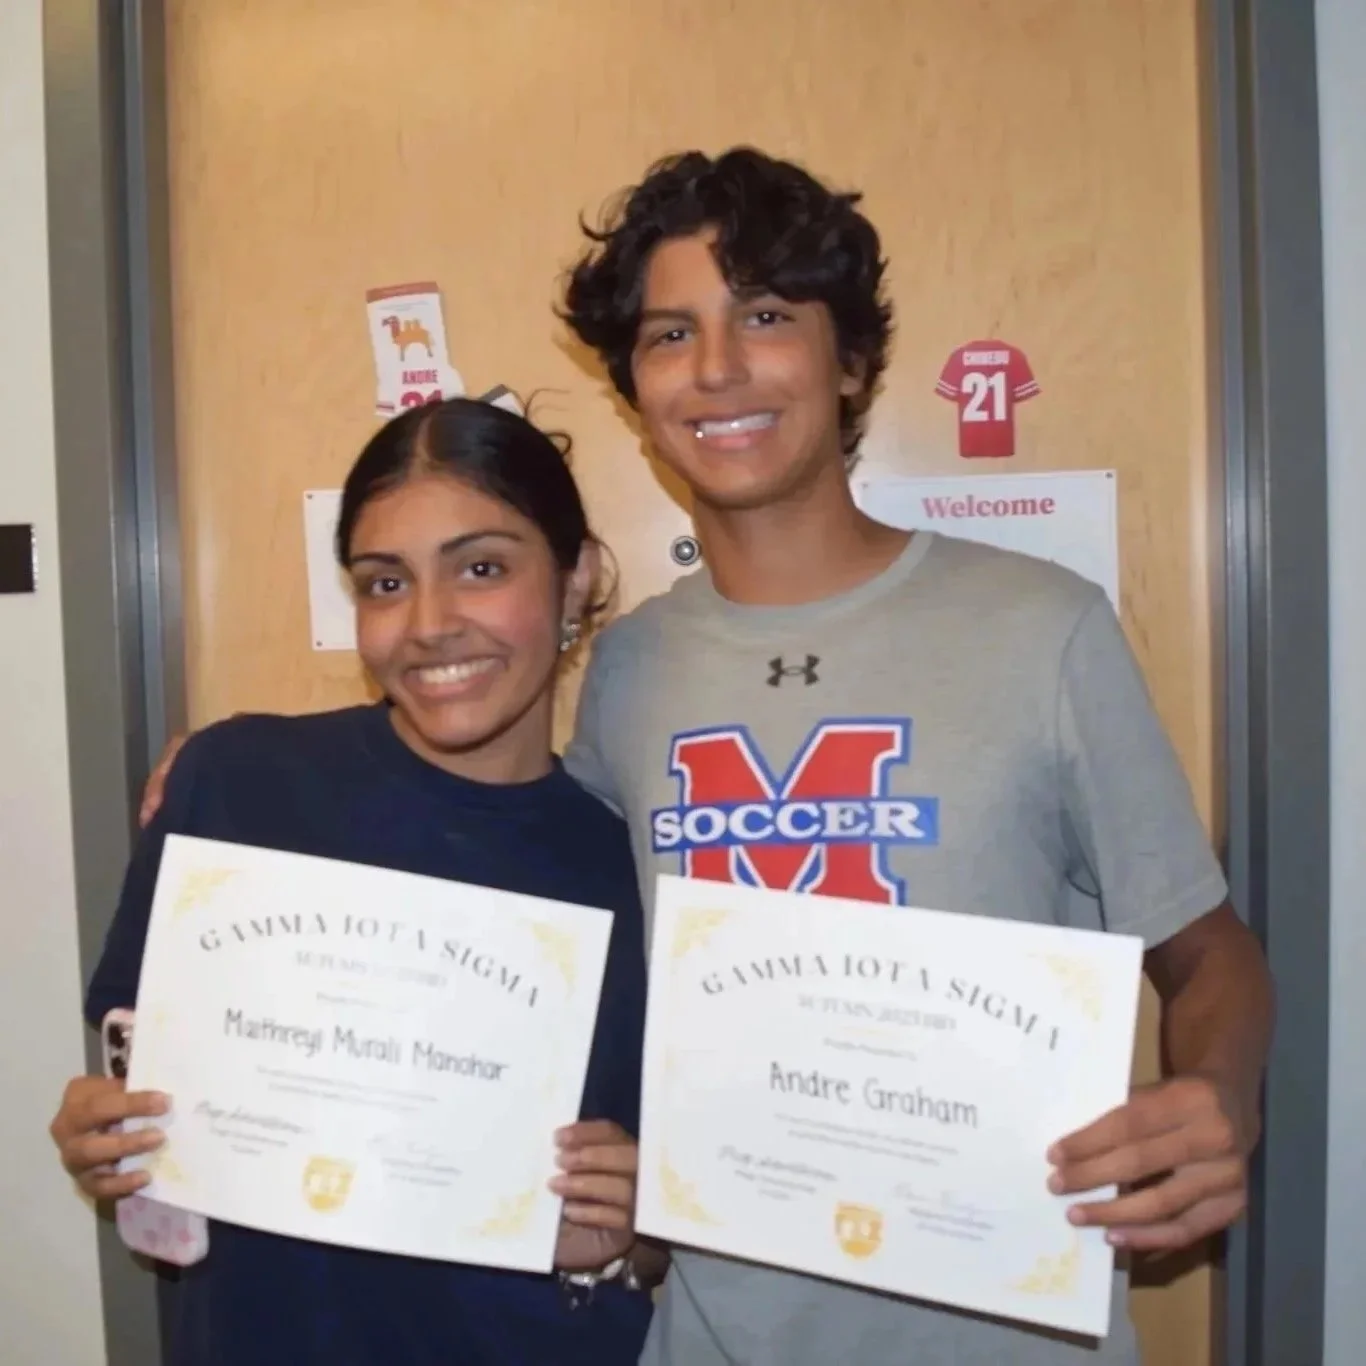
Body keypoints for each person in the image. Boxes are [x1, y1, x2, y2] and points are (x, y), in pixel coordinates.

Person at [141, 148, 1274, 1366]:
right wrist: (247, 761)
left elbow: (1209, 956)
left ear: (849, 364)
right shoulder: (624, 672)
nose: (718, 368)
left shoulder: (1041, 628)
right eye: (671, 333)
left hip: (1006, 1327)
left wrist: (1217, 1099)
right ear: (635, 390)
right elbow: (488, 843)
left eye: (767, 317)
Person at [50, 398, 661, 1366]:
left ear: (577, 575)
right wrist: (106, 1137)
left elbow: (669, 1217)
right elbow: (147, 1091)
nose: (428, 624)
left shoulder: (639, 864)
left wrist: (637, 1237)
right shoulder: (234, 784)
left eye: (483, 568)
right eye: (384, 582)